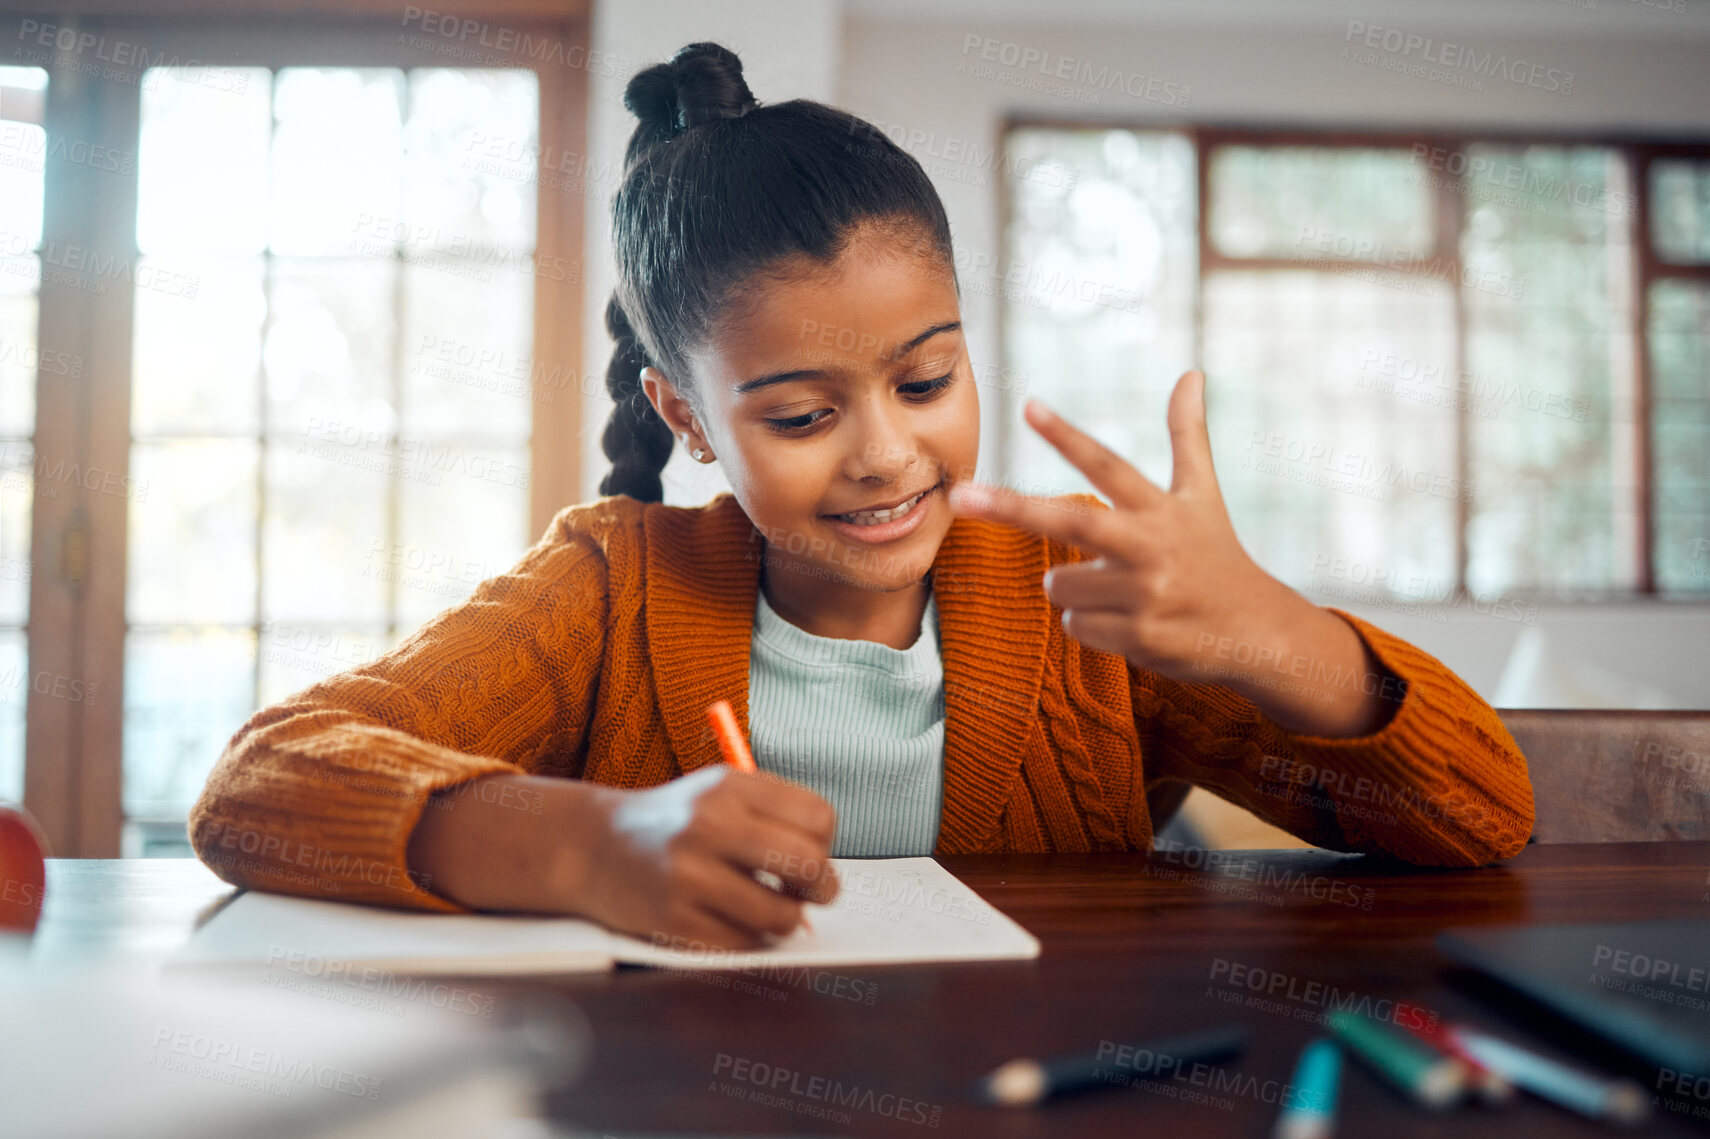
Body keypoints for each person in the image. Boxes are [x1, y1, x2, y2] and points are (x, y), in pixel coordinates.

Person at [188, 41, 1534, 951]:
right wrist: (594, 843)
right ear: (688, 419)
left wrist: (1274, 634)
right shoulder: (606, 587)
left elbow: (1482, 818)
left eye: (926, 378)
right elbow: (259, 783)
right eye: (799, 415)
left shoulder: (1083, 611)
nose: (885, 454)